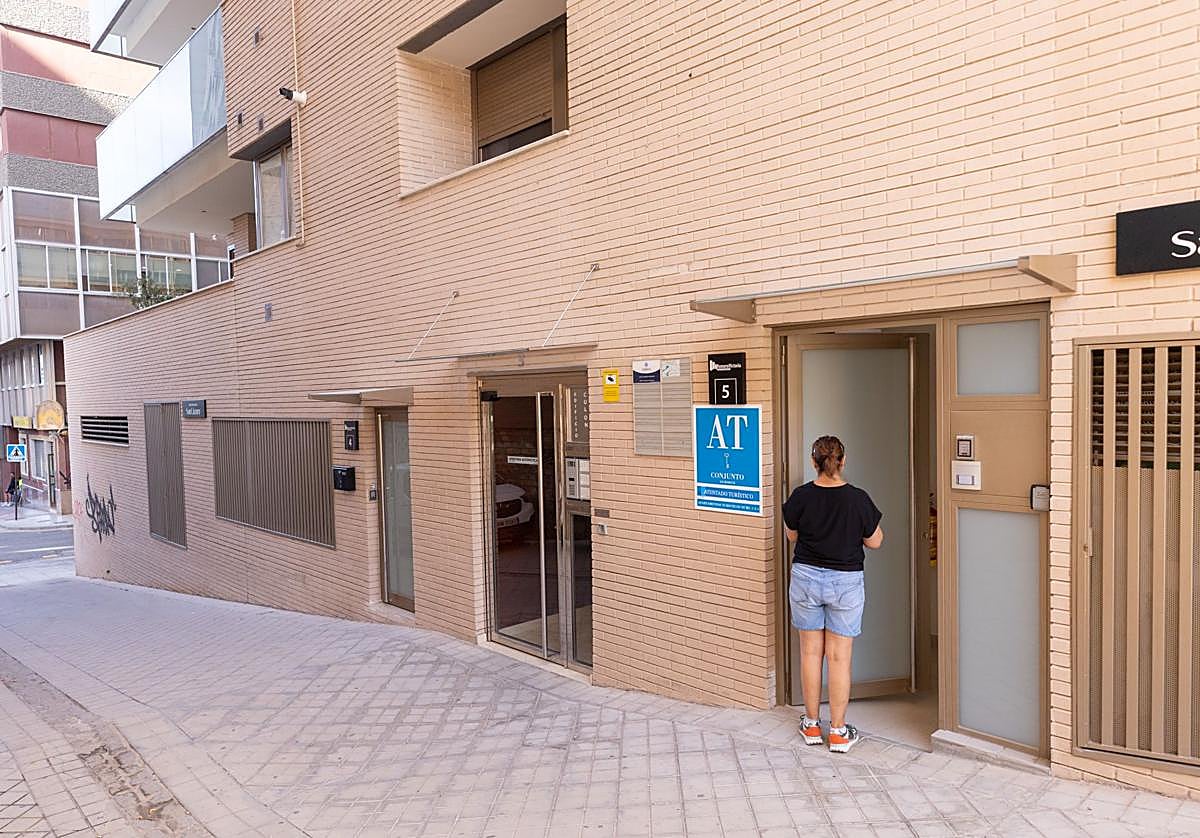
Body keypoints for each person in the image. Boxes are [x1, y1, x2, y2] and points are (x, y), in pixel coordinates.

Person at [783, 435, 883, 753]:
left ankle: (811, 725)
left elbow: (791, 535)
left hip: (806, 579)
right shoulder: (858, 499)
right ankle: (838, 732)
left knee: (810, 654)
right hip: (845, 582)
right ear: (843, 461)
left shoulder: (800, 496)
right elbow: (875, 541)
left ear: (814, 462)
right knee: (839, 658)